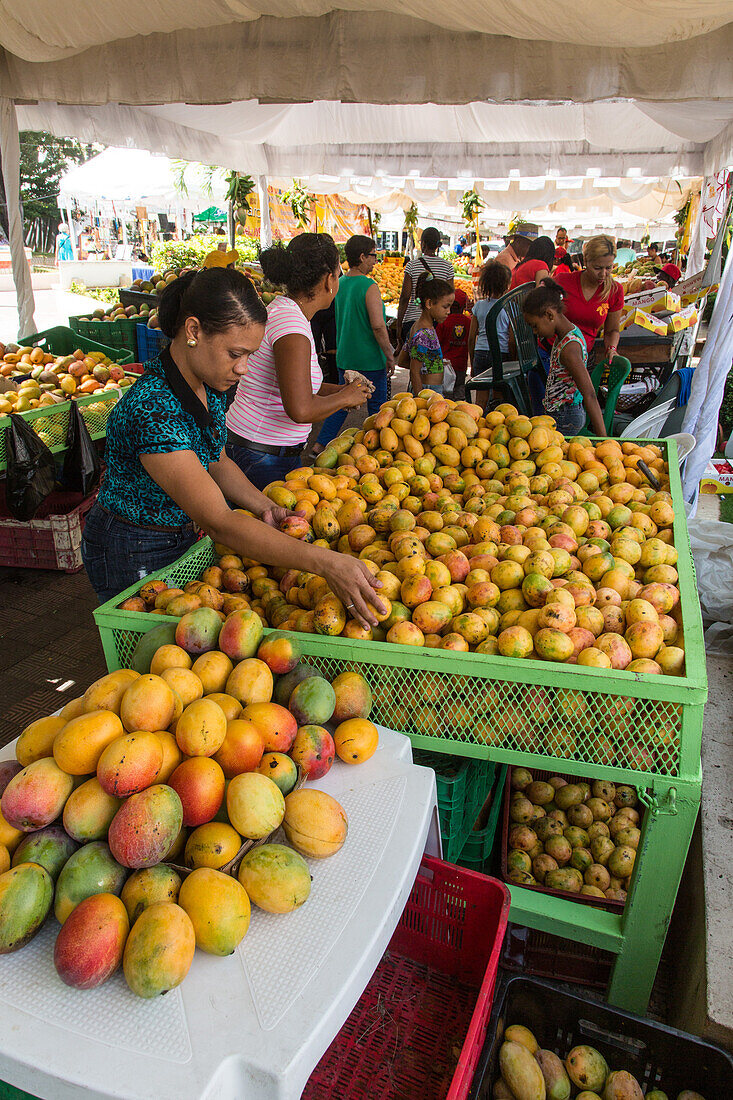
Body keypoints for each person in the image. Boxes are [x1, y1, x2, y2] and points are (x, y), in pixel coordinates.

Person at [80, 266, 385, 625]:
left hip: (179, 532)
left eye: (250, 356)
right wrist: (325, 562)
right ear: (193, 331)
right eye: (235, 353)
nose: (242, 368)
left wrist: (265, 506)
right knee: (145, 653)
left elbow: (216, 459)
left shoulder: (207, 384)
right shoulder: (154, 409)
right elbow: (221, 521)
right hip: (134, 544)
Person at [226, 233, 370, 488]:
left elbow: (295, 385)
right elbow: (300, 409)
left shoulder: (287, 312)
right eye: (338, 274)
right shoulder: (291, 327)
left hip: (262, 450)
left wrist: (342, 391)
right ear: (329, 281)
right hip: (261, 456)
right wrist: (344, 398)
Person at [315, 234, 395, 447]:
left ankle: (320, 444)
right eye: (373, 256)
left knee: (341, 403)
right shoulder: (369, 287)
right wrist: (389, 354)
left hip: (346, 356)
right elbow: (378, 326)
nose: (375, 261)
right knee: (378, 408)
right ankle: (379, 447)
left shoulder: (339, 283)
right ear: (361, 256)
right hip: (369, 358)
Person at [523, 280, 606, 437]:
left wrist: (605, 439)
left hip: (565, 416)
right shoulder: (566, 334)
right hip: (561, 413)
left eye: (535, 325)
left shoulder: (569, 349)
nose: (535, 332)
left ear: (549, 315)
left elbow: (589, 393)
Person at [554, 235, 624, 363]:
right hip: (553, 355)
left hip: (583, 357)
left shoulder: (615, 291)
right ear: (585, 261)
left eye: (608, 268)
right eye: (597, 268)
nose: (603, 274)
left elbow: (612, 330)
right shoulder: (562, 281)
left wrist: (611, 349)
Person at [396, 273, 454, 395]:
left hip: (428, 389)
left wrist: (431, 364)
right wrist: (419, 402)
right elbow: (414, 371)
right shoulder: (423, 334)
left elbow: (402, 360)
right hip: (426, 392)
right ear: (429, 304)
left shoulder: (418, 327)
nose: (449, 312)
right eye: (445, 307)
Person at [396, 226, 454, 347]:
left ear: (423, 244)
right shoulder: (447, 266)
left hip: (412, 321)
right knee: (432, 360)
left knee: (414, 361)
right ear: (438, 244)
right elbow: (450, 296)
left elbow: (405, 297)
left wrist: (399, 324)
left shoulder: (412, 265)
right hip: (436, 321)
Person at [468, 261, 511, 379]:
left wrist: (472, 362)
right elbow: (511, 340)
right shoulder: (509, 307)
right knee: (498, 391)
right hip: (501, 353)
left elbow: (471, 338)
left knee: (481, 390)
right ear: (507, 285)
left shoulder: (479, 306)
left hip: (480, 352)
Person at [436, 288, 470, 398]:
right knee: (459, 390)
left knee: (445, 394)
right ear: (463, 306)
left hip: (445, 365)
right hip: (461, 365)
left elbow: (437, 343)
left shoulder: (443, 321)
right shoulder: (468, 322)